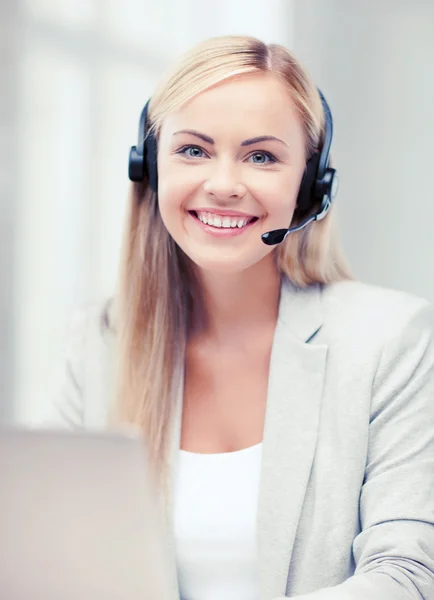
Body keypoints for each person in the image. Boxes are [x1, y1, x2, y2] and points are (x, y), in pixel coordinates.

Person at [49, 35, 434, 599]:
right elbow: (53, 557)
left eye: (262, 156)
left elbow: (407, 573)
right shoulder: (100, 341)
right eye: (194, 150)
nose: (225, 185)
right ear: (149, 169)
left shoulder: (389, 339)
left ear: (311, 188)